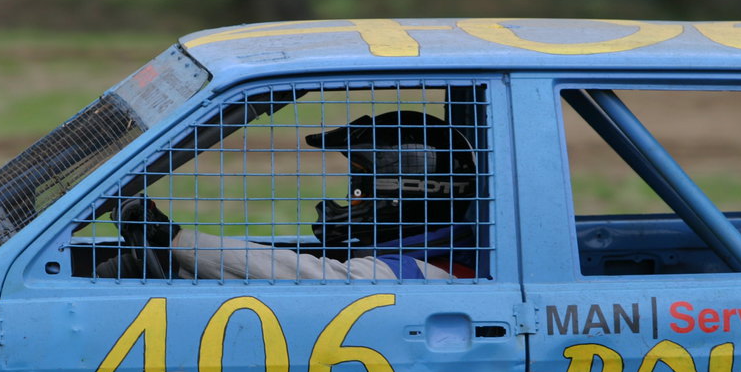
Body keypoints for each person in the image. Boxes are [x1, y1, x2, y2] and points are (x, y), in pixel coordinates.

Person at [115, 110, 480, 280]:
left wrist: (177, 239)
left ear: (405, 193)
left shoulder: (424, 272)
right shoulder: (429, 253)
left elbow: (307, 274)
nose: (349, 200)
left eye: (358, 189)